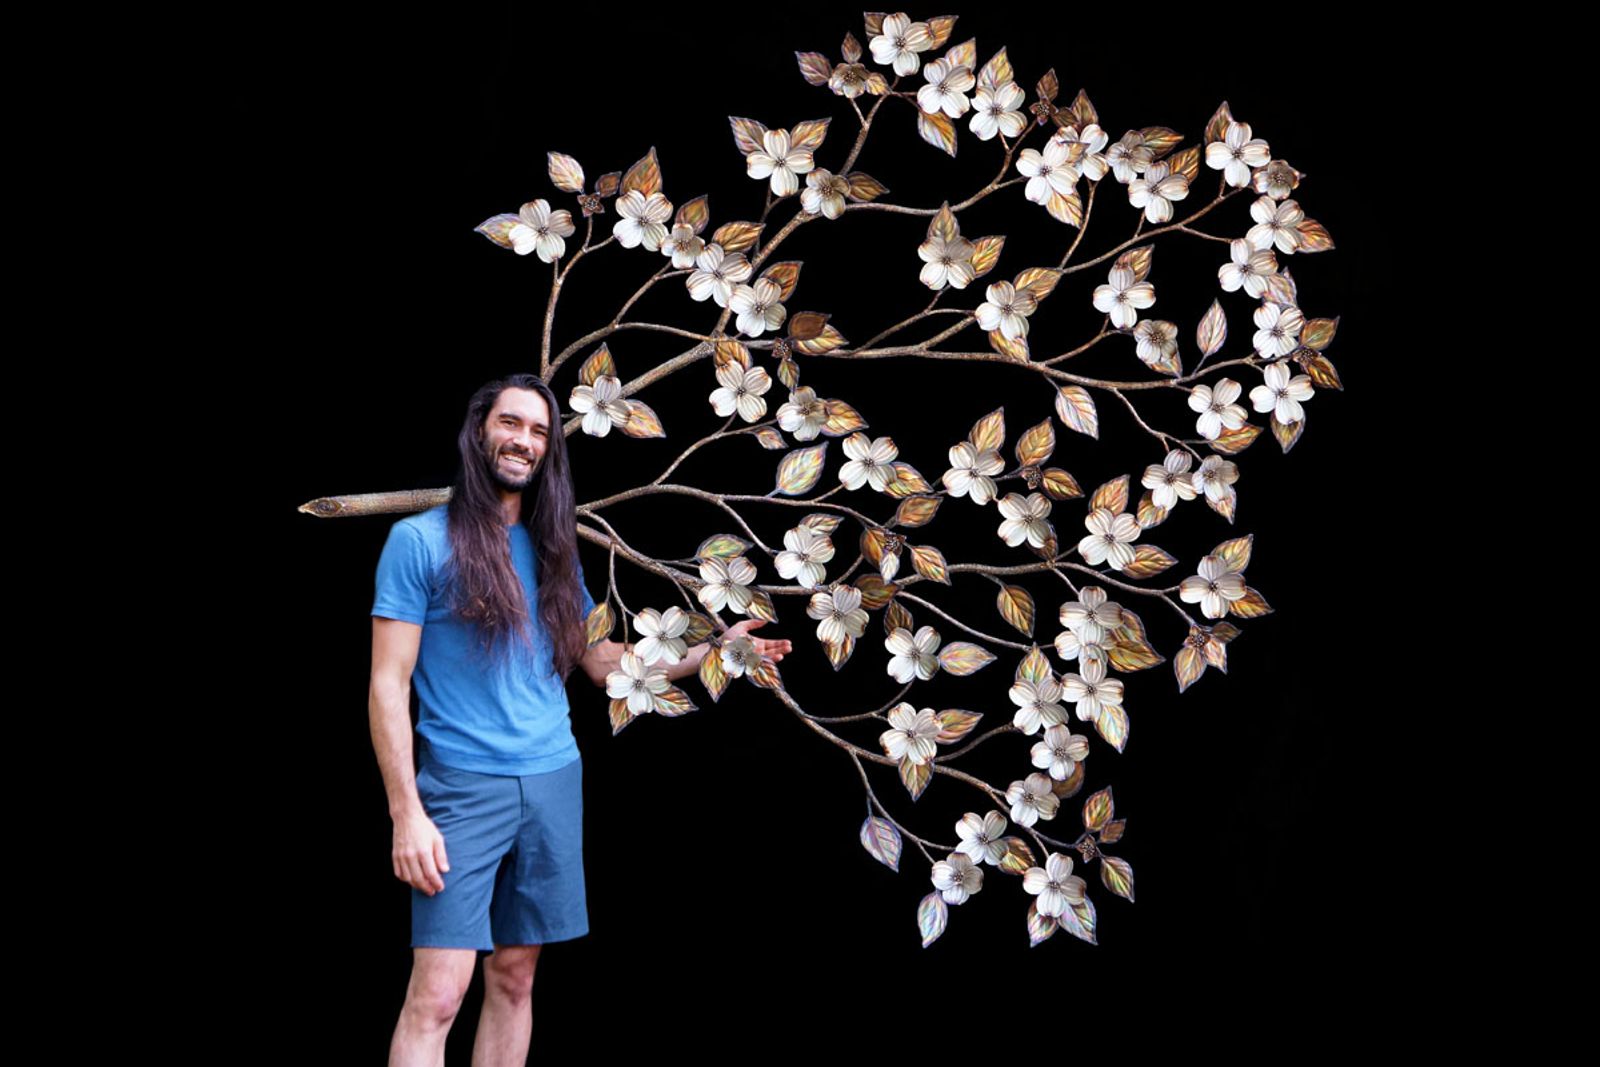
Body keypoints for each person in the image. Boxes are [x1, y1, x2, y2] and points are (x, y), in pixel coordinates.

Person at [368, 373, 790, 1065]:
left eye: (538, 431)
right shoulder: (417, 542)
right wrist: (405, 813)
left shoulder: (554, 548)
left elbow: (602, 663)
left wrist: (714, 652)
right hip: (461, 788)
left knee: (514, 976)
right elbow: (388, 684)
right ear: (480, 431)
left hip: (554, 778)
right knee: (439, 994)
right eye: (511, 423)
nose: (523, 440)